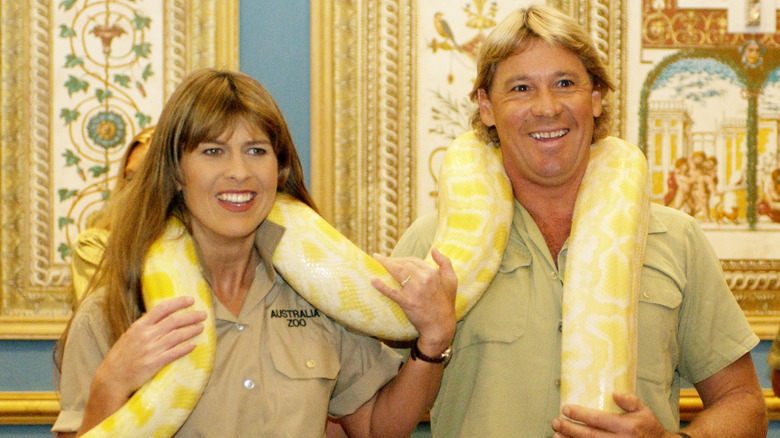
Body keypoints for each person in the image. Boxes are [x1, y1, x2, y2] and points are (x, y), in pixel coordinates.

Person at [392, 5, 766, 437]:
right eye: (520, 88)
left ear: (595, 99)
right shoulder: (434, 246)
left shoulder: (677, 239)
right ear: (486, 106)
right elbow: (364, 411)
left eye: (565, 84)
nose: (547, 108)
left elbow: (744, 405)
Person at [52, 69, 457, 437]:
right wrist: (110, 385)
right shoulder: (113, 311)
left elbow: (374, 428)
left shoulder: (322, 294)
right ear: (176, 171)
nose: (240, 172)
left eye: (257, 150)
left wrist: (434, 341)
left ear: (278, 169)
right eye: (213, 151)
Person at [70, 126, 155, 301]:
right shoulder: (96, 247)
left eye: (151, 177)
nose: (137, 189)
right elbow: (106, 324)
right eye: (130, 178)